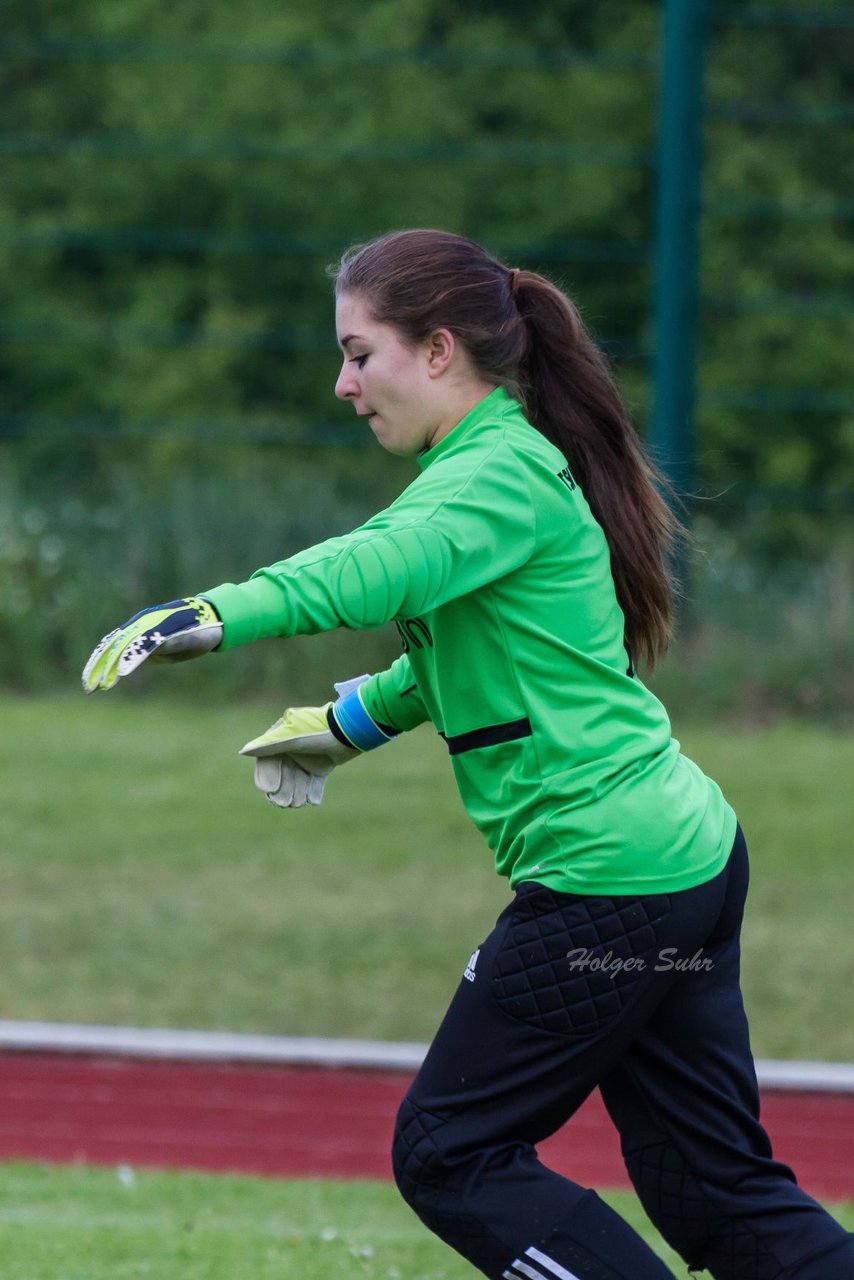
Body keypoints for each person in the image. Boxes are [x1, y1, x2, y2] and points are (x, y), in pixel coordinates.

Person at [82, 229, 853, 1280]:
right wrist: (340, 728)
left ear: (437, 349)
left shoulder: (488, 477)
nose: (342, 384)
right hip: (682, 864)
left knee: (448, 1151)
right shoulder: (500, 464)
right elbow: (463, 661)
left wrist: (218, 608)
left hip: (609, 889)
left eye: (360, 354)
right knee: (718, 1195)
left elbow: (378, 568)